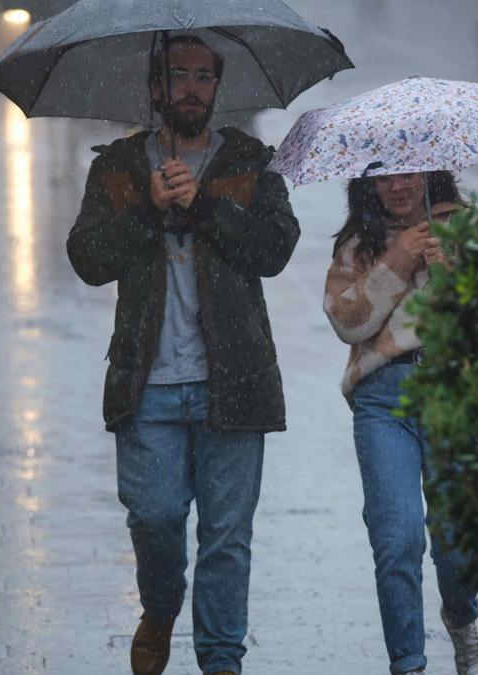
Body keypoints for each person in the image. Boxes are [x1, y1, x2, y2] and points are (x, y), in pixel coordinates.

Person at [66, 34, 299, 675]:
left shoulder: (252, 160)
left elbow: (274, 250)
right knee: (155, 516)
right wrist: (148, 207)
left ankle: (221, 660)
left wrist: (205, 206)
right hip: (149, 384)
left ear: (217, 88)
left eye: (204, 76)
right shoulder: (116, 165)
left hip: (236, 381)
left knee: (227, 537)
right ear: (157, 88)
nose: (192, 88)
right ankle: (162, 605)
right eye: (179, 75)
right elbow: (87, 260)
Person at [323, 169, 478, 675]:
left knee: (459, 539)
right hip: (382, 399)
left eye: (408, 173)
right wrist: (397, 261)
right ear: (367, 186)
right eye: (384, 177)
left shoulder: (463, 228)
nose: (397, 186)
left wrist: (451, 278)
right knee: (396, 537)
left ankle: (462, 622)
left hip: (454, 391)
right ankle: (409, 664)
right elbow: (348, 322)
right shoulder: (359, 243)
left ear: (429, 172)